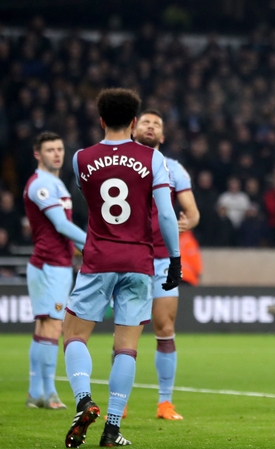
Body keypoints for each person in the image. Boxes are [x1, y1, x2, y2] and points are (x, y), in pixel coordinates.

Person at [62, 88, 181, 447]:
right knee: (127, 346)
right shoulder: (152, 159)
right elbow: (164, 212)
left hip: (99, 257)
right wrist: (174, 258)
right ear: (133, 122)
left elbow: (93, 202)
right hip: (140, 261)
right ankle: (112, 429)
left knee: (74, 335)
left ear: (101, 120)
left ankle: (84, 400)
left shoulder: (81, 158)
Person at [131, 109, 199, 420]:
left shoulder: (173, 168)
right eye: (145, 121)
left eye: (156, 124)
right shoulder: (123, 164)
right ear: (134, 128)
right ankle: (122, 403)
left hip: (161, 260)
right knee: (127, 332)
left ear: (162, 136)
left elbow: (192, 212)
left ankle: (164, 403)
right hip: (129, 257)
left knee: (165, 328)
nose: (151, 126)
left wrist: (185, 223)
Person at [23, 131, 87, 410]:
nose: (57, 154)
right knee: (52, 327)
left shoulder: (54, 183)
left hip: (50, 263)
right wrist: (94, 244)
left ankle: (35, 393)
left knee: (43, 328)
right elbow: (61, 225)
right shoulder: (42, 186)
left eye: (60, 149)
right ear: (38, 154)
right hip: (51, 265)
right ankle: (48, 393)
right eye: (50, 150)